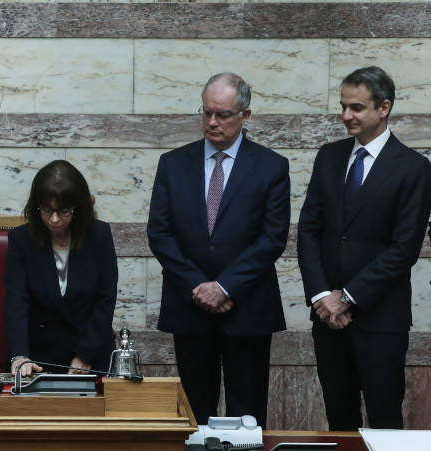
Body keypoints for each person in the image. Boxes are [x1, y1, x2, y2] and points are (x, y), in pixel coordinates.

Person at [146, 73, 290, 428]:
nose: (212, 122)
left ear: (245, 116)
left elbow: (272, 238)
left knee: (248, 411)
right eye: (207, 112)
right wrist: (200, 286)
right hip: (190, 307)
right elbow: (160, 233)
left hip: (248, 308)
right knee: (194, 410)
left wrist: (224, 287)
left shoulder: (271, 166)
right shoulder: (173, 164)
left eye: (223, 114)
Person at [297, 66, 431, 431]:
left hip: (380, 320)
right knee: (339, 421)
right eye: (343, 106)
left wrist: (349, 297)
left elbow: (404, 248)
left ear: (383, 107)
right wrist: (323, 297)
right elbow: (309, 230)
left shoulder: (413, 168)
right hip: (327, 319)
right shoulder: (329, 157)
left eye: (356, 107)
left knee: (384, 418)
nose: (345, 116)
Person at [5, 160, 118, 377]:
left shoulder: (99, 236)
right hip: (37, 355)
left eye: (63, 211)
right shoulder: (21, 240)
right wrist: (19, 356)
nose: (54, 219)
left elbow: (105, 300)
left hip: (90, 350)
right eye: (47, 210)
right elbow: (16, 302)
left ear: (77, 207)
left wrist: (85, 354)